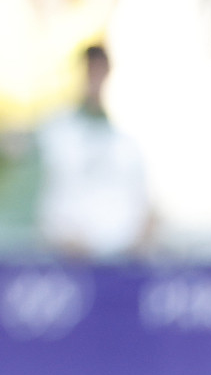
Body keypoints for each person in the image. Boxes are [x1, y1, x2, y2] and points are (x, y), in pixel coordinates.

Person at [36, 45, 150, 258]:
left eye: (100, 70)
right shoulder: (53, 130)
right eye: (90, 70)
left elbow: (144, 204)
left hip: (120, 262)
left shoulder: (127, 139)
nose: (94, 78)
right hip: (68, 261)